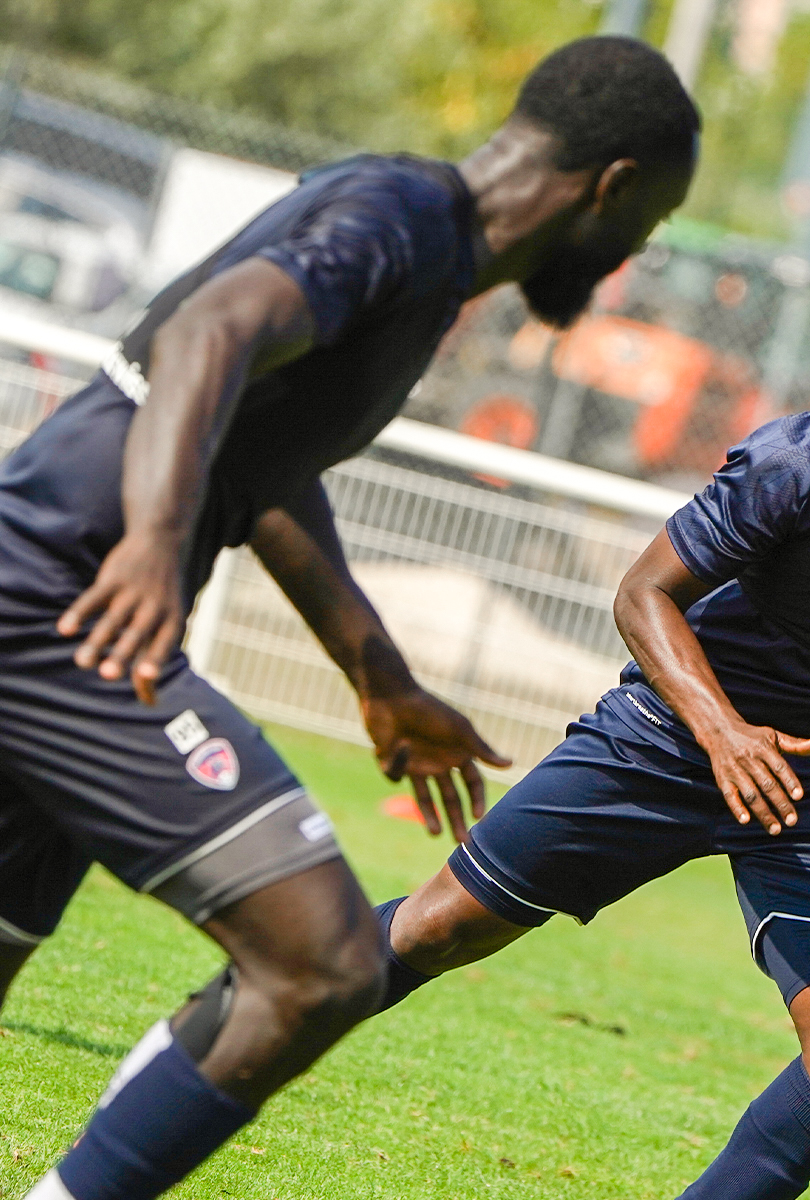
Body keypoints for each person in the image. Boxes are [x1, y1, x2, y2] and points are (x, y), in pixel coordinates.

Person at [7, 36, 699, 1200]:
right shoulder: (404, 219)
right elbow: (207, 334)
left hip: (58, 599)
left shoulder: (420, 246)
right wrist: (143, 539)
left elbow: (265, 466)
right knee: (324, 961)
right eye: (650, 223)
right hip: (64, 611)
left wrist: (374, 671)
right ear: (610, 185)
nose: (635, 254)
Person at [359, 294, 810, 1199]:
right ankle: (232, 1026)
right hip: (667, 739)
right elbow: (642, 595)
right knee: (436, 931)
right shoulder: (804, 463)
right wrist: (724, 733)